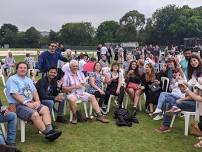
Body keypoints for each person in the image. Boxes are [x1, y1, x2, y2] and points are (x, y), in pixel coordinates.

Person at [6, 62, 62, 141]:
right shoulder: (12, 79)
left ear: (27, 69)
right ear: (17, 69)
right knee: (34, 114)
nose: (23, 69)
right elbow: (14, 94)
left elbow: (34, 91)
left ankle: (50, 130)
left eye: (25, 68)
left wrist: (38, 101)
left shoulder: (28, 79)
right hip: (18, 105)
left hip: (31, 102)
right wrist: (27, 103)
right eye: (21, 68)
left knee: (45, 108)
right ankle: (47, 133)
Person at [155, 54, 202, 133]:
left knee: (176, 103)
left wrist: (184, 96)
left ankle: (165, 125)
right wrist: (182, 83)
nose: (193, 62)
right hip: (192, 100)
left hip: (198, 105)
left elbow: (196, 94)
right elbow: (189, 84)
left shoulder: (199, 75)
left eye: (194, 60)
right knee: (171, 100)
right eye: (191, 61)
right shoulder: (194, 73)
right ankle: (165, 125)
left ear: (198, 60)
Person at [62, 60, 109, 124]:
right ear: (70, 67)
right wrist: (74, 87)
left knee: (92, 97)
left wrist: (85, 84)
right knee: (72, 99)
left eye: (76, 66)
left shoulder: (80, 74)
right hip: (71, 93)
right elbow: (63, 89)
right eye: (73, 66)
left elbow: (84, 83)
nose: (75, 67)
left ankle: (99, 116)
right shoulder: (67, 75)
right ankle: (75, 116)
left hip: (81, 93)